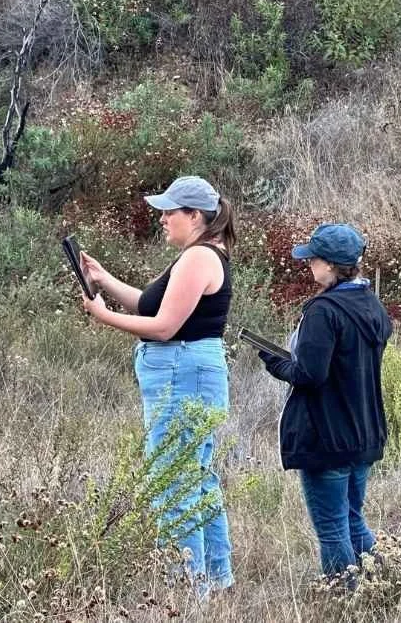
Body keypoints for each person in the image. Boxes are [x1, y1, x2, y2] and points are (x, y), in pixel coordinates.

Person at [79, 176, 236, 597]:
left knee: (174, 482)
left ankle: (186, 591)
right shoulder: (201, 255)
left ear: (195, 216)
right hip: (190, 371)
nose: (163, 219)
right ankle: (213, 580)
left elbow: (164, 327)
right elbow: (154, 306)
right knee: (195, 479)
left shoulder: (198, 259)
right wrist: (105, 280)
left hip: (181, 372)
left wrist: (102, 316)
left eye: (170, 211)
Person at [256, 223, 392, 580]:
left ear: (330, 264)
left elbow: (310, 375)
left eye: (313, 258)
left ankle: (343, 603)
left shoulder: (323, 310)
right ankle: (386, 590)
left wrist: (276, 363)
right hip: (364, 432)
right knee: (352, 518)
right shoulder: (373, 304)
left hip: (327, 434)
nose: (309, 264)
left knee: (333, 529)